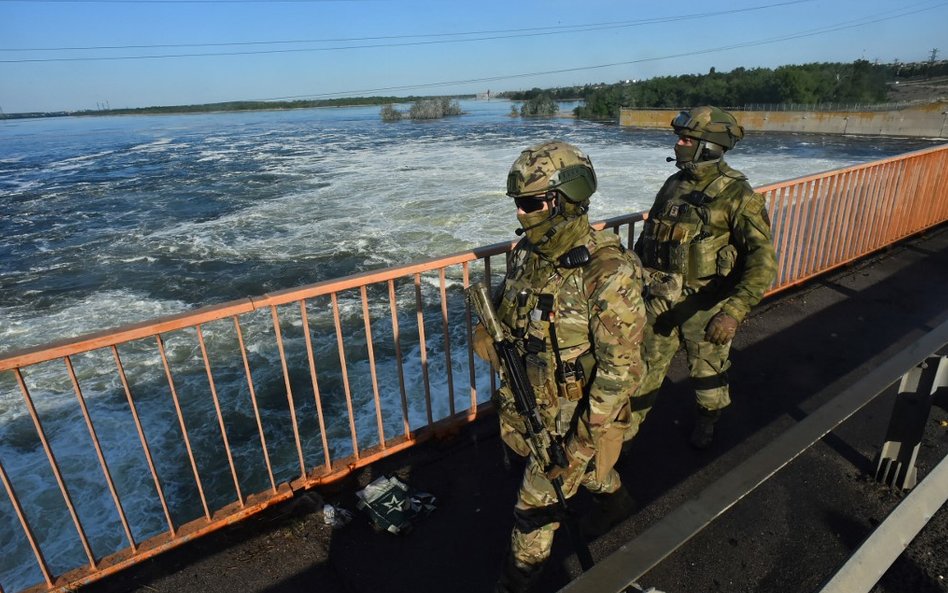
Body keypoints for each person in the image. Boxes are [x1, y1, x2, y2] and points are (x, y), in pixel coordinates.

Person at [472, 140, 647, 592]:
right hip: (532, 401)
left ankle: (515, 583)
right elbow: (511, 304)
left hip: (574, 419)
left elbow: (621, 370)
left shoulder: (606, 271)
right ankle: (616, 500)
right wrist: (487, 329)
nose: (520, 214)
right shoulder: (530, 253)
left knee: (533, 509)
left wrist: (580, 444)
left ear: (566, 199)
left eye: (530, 203)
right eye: (518, 204)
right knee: (588, 477)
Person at [632, 105, 778, 450]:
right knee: (643, 371)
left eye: (687, 139)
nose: (679, 145)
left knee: (707, 374)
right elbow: (648, 238)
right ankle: (626, 435)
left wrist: (734, 311)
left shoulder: (738, 195)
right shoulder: (673, 184)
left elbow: (763, 260)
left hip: (706, 307)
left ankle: (708, 421)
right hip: (660, 302)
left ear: (709, 146)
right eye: (681, 138)